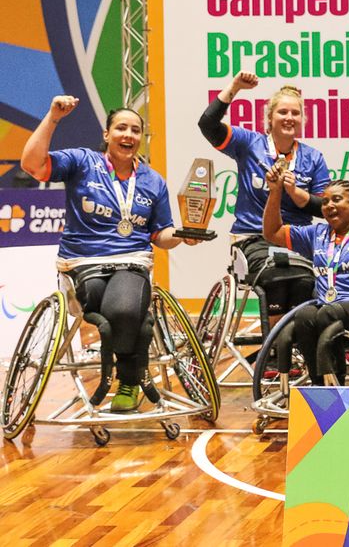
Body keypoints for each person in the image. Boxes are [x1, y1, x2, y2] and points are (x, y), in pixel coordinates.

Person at [22, 97, 204, 412]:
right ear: (107, 134)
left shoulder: (152, 181)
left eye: (135, 130)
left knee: (121, 310)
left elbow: (160, 235)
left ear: (141, 138)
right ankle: (134, 350)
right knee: (117, 308)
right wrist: (53, 117)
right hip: (83, 263)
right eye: (121, 128)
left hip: (131, 262)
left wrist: (185, 236)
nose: (128, 135)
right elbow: (32, 164)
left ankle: (128, 381)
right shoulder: (81, 162)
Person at [198, 73, 330, 320]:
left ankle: (289, 344)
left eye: (295, 113)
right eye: (282, 112)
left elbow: (324, 208)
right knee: (277, 278)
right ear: (269, 119)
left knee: (307, 282)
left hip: (296, 238)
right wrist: (235, 87)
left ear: (302, 120)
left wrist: (295, 193)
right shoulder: (250, 144)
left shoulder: (313, 158)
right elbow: (207, 125)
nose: (289, 118)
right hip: (253, 237)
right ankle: (277, 347)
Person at [262, 176, 349, 386]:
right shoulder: (316, 234)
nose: (329, 205)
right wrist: (275, 191)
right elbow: (272, 232)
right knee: (304, 315)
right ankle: (320, 389)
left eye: (336, 199)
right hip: (326, 308)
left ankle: (336, 386)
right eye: (325, 201)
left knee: (328, 313)